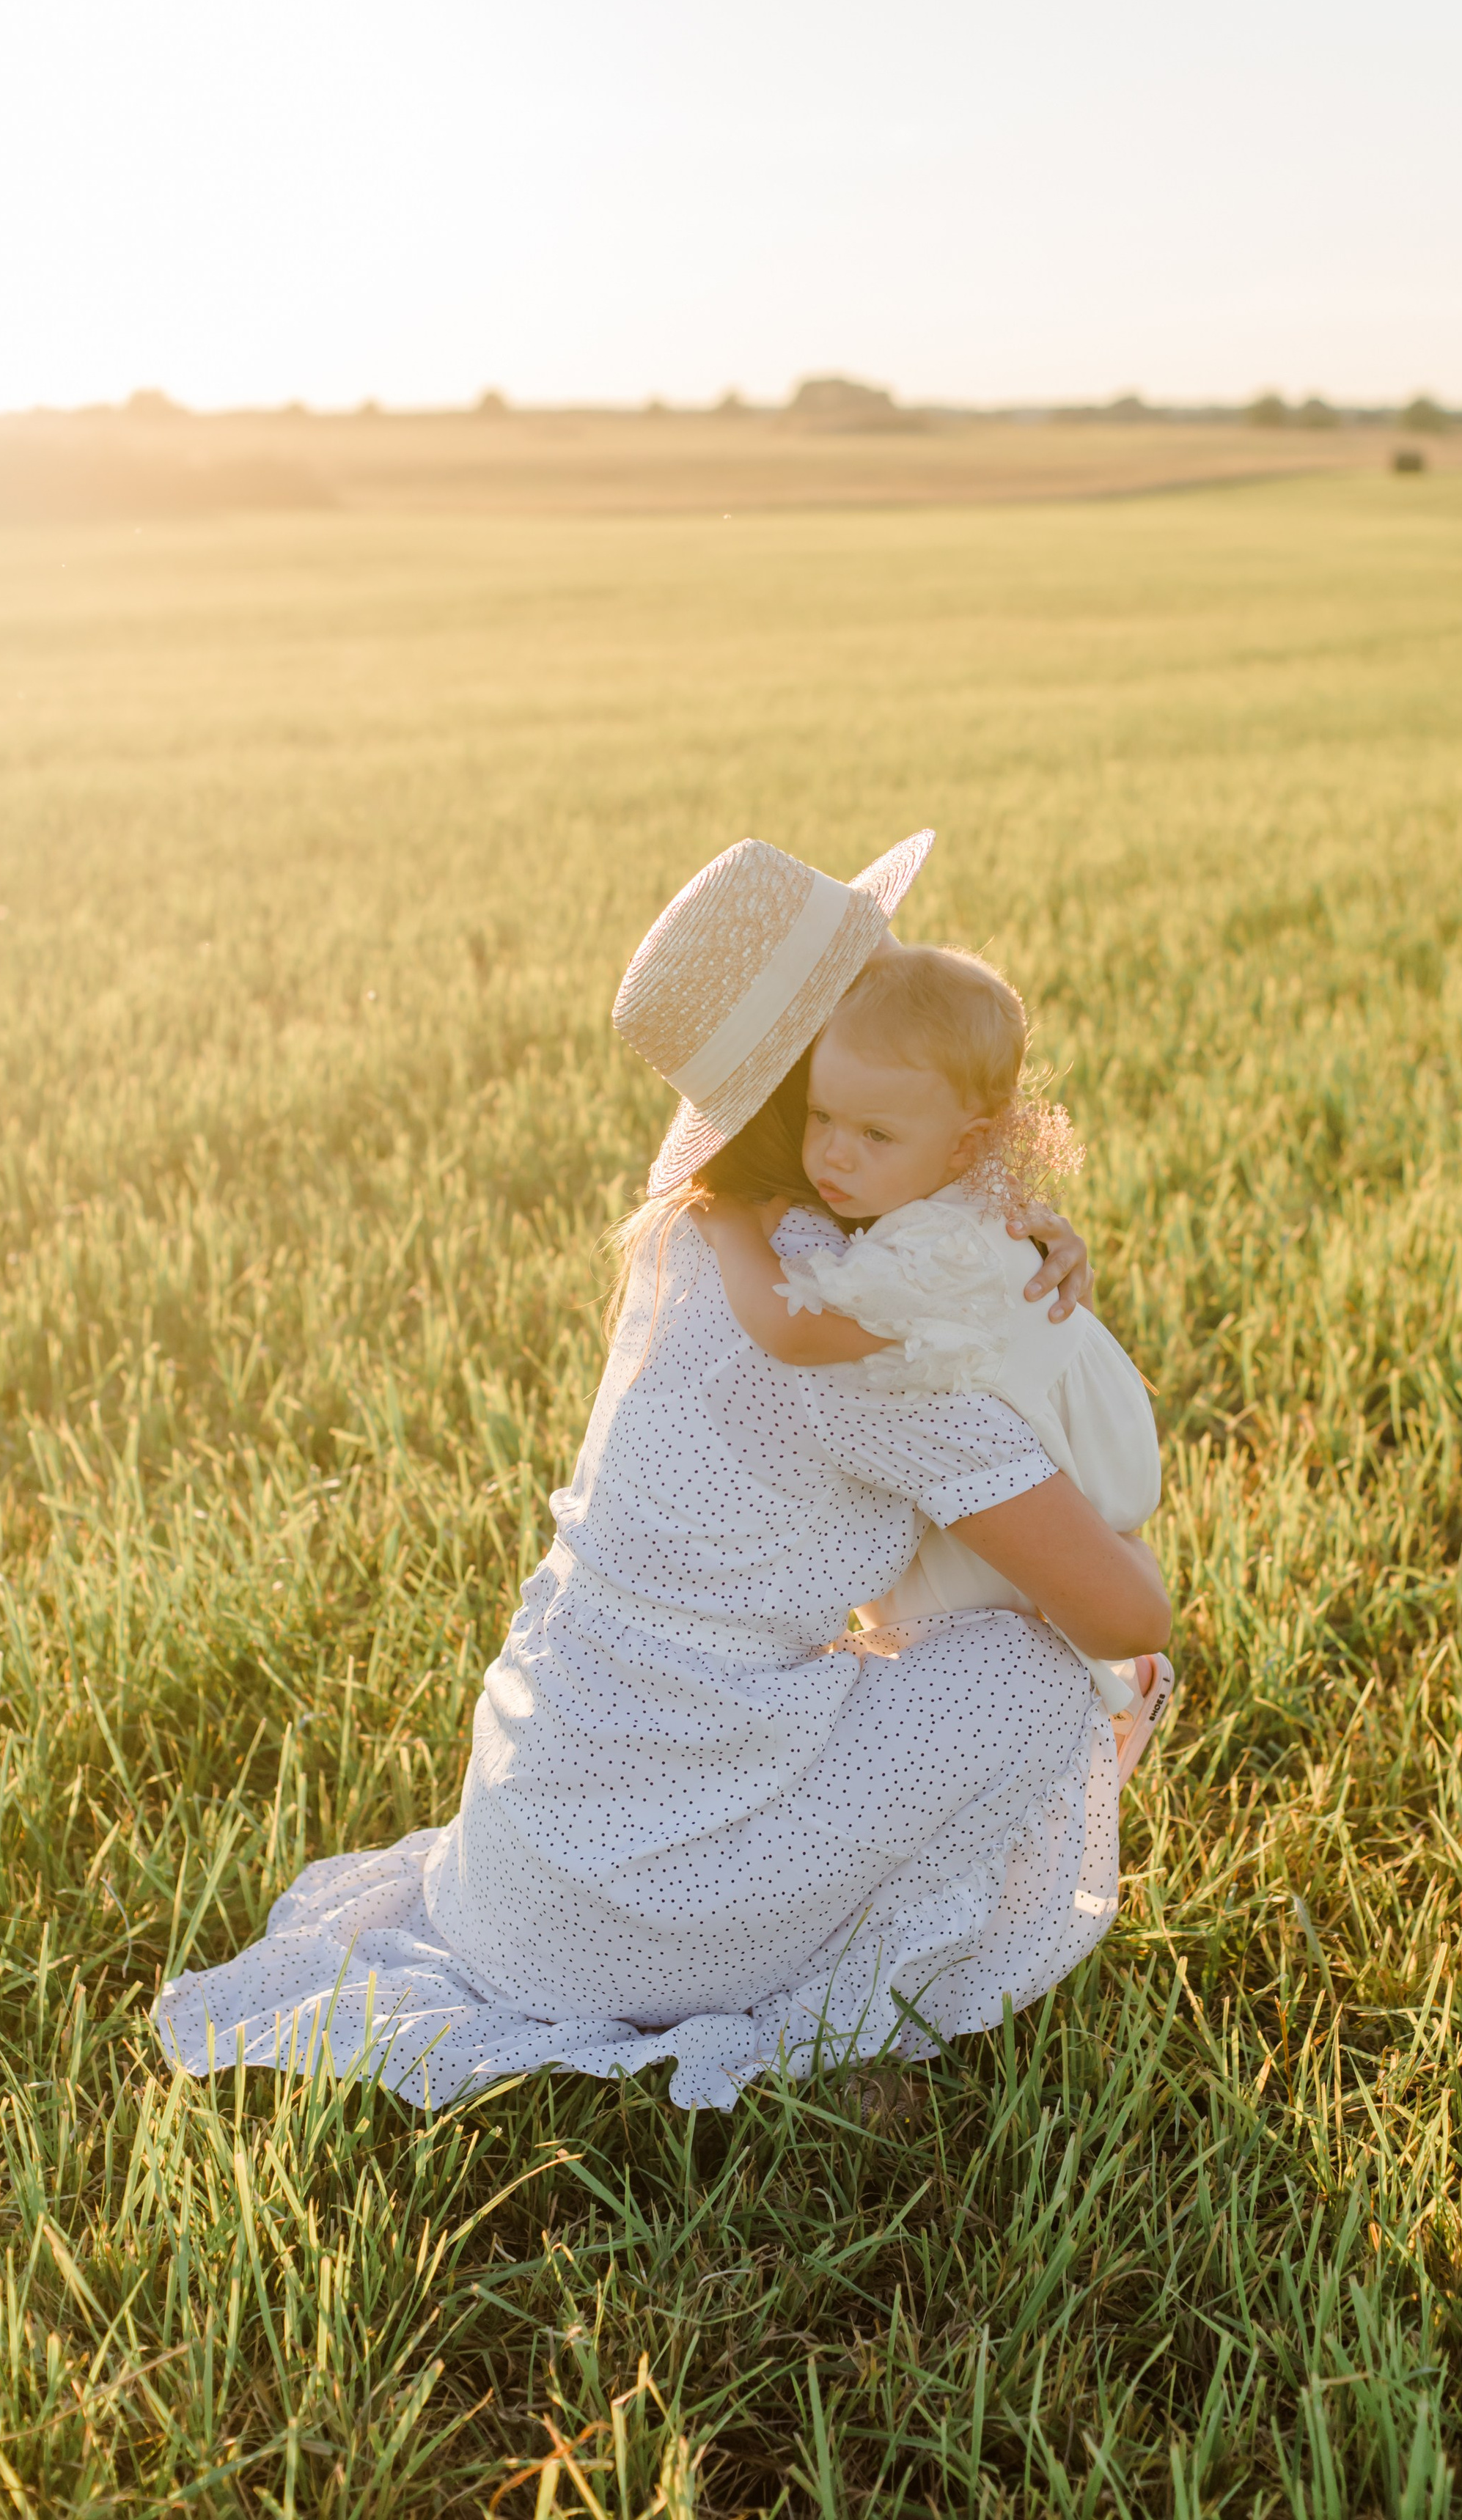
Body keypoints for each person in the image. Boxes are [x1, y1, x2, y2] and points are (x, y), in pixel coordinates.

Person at [155, 830, 1171, 2113]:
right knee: (1053, 1674)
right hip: (643, 1916)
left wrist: (1009, 1223)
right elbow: (1124, 1615)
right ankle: (848, 2027)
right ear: (821, 1071)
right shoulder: (878, 1337)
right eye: (867, 981)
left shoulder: (695, 1233)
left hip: (520, 1874)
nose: (891, 982)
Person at [695, 939, 1172, 1763]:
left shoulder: (929, 1254)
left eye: (874, 1133)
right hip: (1074, 1449)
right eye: (822, 1118)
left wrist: (729, 1222)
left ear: (965, 1145)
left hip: (1068, 1461)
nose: (836, 1154)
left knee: (947, 1620)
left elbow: (794, 1328)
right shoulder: (951, 1197)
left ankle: (1101, 1705)